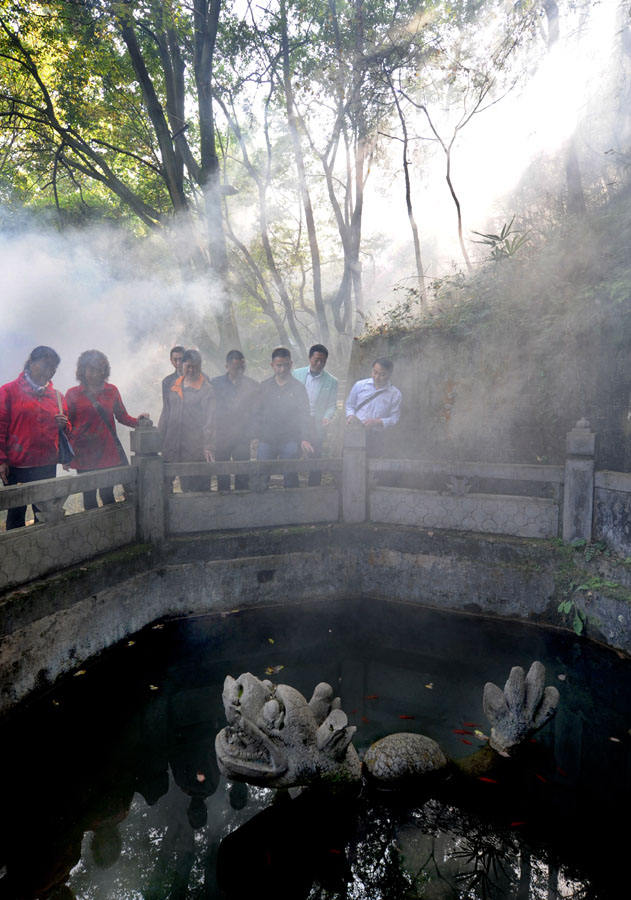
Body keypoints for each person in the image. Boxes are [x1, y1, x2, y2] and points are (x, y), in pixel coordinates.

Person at [65, 350, 150, 510]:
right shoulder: (73, 394)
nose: (95, 374)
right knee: (89, 496)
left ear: (104, 371)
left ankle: (112, 525)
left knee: (107, 494)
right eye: (90, 369)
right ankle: (93, 525)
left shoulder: (112, 391)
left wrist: (138, 422)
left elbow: (122, 416)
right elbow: (67, 425)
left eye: (99, 369)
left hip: (107, 451)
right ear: (82, 370)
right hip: (84, 453)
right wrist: (66, 455)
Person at [0, 345, 70, 529]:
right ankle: (17, 547)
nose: (50, 371)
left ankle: (44, 547)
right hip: (17, 466)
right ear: (31, 362)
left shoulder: (56, 396)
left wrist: (64, 425)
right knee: (16, 514)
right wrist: (1, 460)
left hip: (46, 465)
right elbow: (0, 427)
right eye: (46, 364)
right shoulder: (8, 391)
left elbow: (67, 431)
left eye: (53, 367)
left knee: (45, 514)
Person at [255, 347, 313, 488]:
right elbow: (257, 413)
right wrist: (256, 435)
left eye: (286, 365)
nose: (282, 369)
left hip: (290, 439)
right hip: (267, 439)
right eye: (279, 365)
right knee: (261, 475)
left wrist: (305, 438)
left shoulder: (298, 388)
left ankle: (291, 500)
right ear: (272, 365)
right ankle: (260, 500)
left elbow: (304, 414)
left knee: (291, 475)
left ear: (291, 364)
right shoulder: (264, 387)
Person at [159, 348, 216, 492]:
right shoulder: (173, 385)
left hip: (194, 447)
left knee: (194, 489)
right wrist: (159, 440)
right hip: (172, 444)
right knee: (165, 486)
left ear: (200, 366)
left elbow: (210, 420)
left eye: (195, 367)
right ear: (182, 365)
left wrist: (208, 445)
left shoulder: (206, 389)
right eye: (188, 366)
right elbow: (166, 413)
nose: (191, 370)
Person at [211, 350, 259, 491]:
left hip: (242, 436)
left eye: (241, 368)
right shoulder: (215, 384)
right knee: (222, 471)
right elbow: (211, 409)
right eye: (235, 368)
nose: (238, 371)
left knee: (242, 471)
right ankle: (223, 498)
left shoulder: (252, 385)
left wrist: (252, 434)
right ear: (227, 366)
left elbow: (256, 412)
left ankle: (241, 498)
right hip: (222, 435)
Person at [293, 344, 338, 486]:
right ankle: (292, 485)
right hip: (297, 420)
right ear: (309, 358)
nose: (319, 364)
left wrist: (327, 417)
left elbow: (332, 404)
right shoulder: (296, 374)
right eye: (316, 360)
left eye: (323, 361)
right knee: (293, 452)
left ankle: (314, 488)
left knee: (316, 453)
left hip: (316, 422)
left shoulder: (332, 381)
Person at [345, 357, 401, 456]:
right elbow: (350, 405)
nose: (377, 377)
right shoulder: (359, 385)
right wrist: (350, 416)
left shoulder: (395, 394)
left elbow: (394, 418)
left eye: (382, 374)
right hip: (356, 432)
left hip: (378, 437)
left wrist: (377, 422)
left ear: (389, 374)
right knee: (352, 460)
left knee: (374, 461)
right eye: (375, 372)